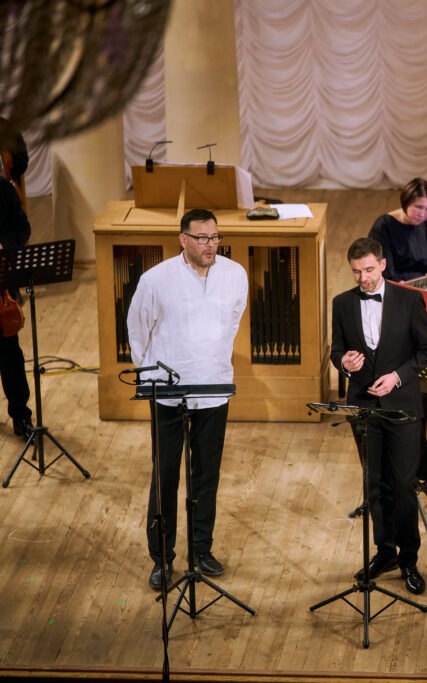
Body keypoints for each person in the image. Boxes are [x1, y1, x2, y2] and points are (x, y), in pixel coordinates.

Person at [127, 208, 248, 590]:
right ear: (183, 240)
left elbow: (232, 322)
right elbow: (137, 330)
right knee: (165, 475)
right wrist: (152, 374)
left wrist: (213, 361)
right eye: (202, 238)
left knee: (206, 475)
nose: (210, 245)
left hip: (214, 387)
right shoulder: (156, 279)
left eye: (215, 237)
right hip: (168, 391)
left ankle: (201, 548)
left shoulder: (235, 274)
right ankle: (162, 557)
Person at [331, 237, 427, 594]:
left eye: (368, 270)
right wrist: (344, 363)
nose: (363, 278)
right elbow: (337, 350)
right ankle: (385, 552)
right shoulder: (342, 303)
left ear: (383, 265)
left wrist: (397, 377)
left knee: (404, 485)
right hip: (363, 408)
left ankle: (409, 559)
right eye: (356, 272)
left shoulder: (410, 300)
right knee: (375, 484)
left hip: (402, 406)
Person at [0, 120, 34, 440]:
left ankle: (21, 415)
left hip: (0, 286)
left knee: (10, 352)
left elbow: (22, 228)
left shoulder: (2, 190)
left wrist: (4, 246)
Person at [368, 177, 427, 282]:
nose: (423, 214)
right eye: (418, 207)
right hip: (394, 286)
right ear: (406, 202)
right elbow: (385, 274)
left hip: (422, 284)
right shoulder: (383, 227)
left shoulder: (425, 226)